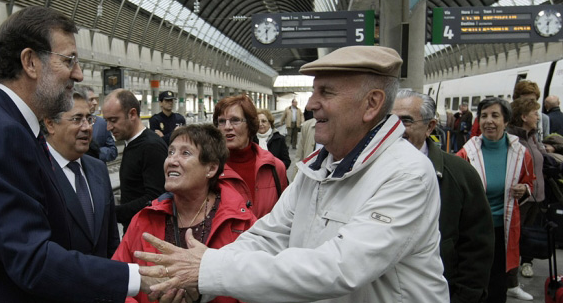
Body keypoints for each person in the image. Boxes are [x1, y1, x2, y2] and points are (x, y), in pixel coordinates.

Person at [136, 46, 449, 303]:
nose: (311, 105)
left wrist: (208, 269)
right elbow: (269, 235)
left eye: (325, 92)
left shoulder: (406, 174)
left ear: (372, 104)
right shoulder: (318, 169)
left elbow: (340, 267)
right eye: (314, 92)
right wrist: (202, 278)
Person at [0, 6, 142, 302]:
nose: (79, 74)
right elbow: (31, 260)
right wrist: (134, 276)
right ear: (30, 62)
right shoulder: (3, 134)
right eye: (69, 60)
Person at [112, 124, 257, 303]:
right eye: (171, 152)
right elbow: (117, 281)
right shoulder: (144, 220)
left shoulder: (240, 224)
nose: (172, 160)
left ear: (211, 169)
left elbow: (255, 288)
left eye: (185, 153)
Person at [393, 90, 494, 303]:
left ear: (430, 126)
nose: (396, 129)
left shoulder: (459, 174)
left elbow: (477, 248)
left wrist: (464, 297)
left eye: (406, 121)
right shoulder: (368, 170)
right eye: (390, 120)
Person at [456, 97, 535, 303]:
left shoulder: (521, 154)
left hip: (503, 230)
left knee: (498, 285)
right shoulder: (466, 154)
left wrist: (524, 190)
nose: (488, 121)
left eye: (495, 115)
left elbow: (529, 183)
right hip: (474, 231)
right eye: (483, 116)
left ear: (506, 121)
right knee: (473, 281)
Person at [42, 88, 120, 258]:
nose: (87, 128)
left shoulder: (98, 168)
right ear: (50, 124)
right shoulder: (36, 171)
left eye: (89, 119)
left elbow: (112, 236)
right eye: (77, 119)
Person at [213, 95, 288, 218]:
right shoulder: (208, 169)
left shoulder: (275, 168)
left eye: (235, 120)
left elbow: (285, 216)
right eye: (221, 121)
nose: (227, 127)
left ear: (250, 125)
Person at [102, 88, 167, 231]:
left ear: (132, 114)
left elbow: (156, 198)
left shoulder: (151, 146)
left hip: (147, 234)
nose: (108, 127)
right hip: (135, 230)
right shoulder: (132, 143)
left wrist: (113, 213)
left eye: (113, 120)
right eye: (106, 121)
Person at [507, 97, 547, 282]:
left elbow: (543, 158)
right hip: (522, 199)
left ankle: (524, 267)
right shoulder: (514, 140)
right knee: (514, 240)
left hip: (536, 197)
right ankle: (511, 281)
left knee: (527, 237)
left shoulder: (532, 137)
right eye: (535, 113)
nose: (538, 117)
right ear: (524, 116)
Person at [79, 85, 118, 162]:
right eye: (91, 99)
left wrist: (96, 153)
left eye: (95, 99)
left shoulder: (102, 123)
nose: (95, 103)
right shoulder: (70, 123)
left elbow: (113, 151)